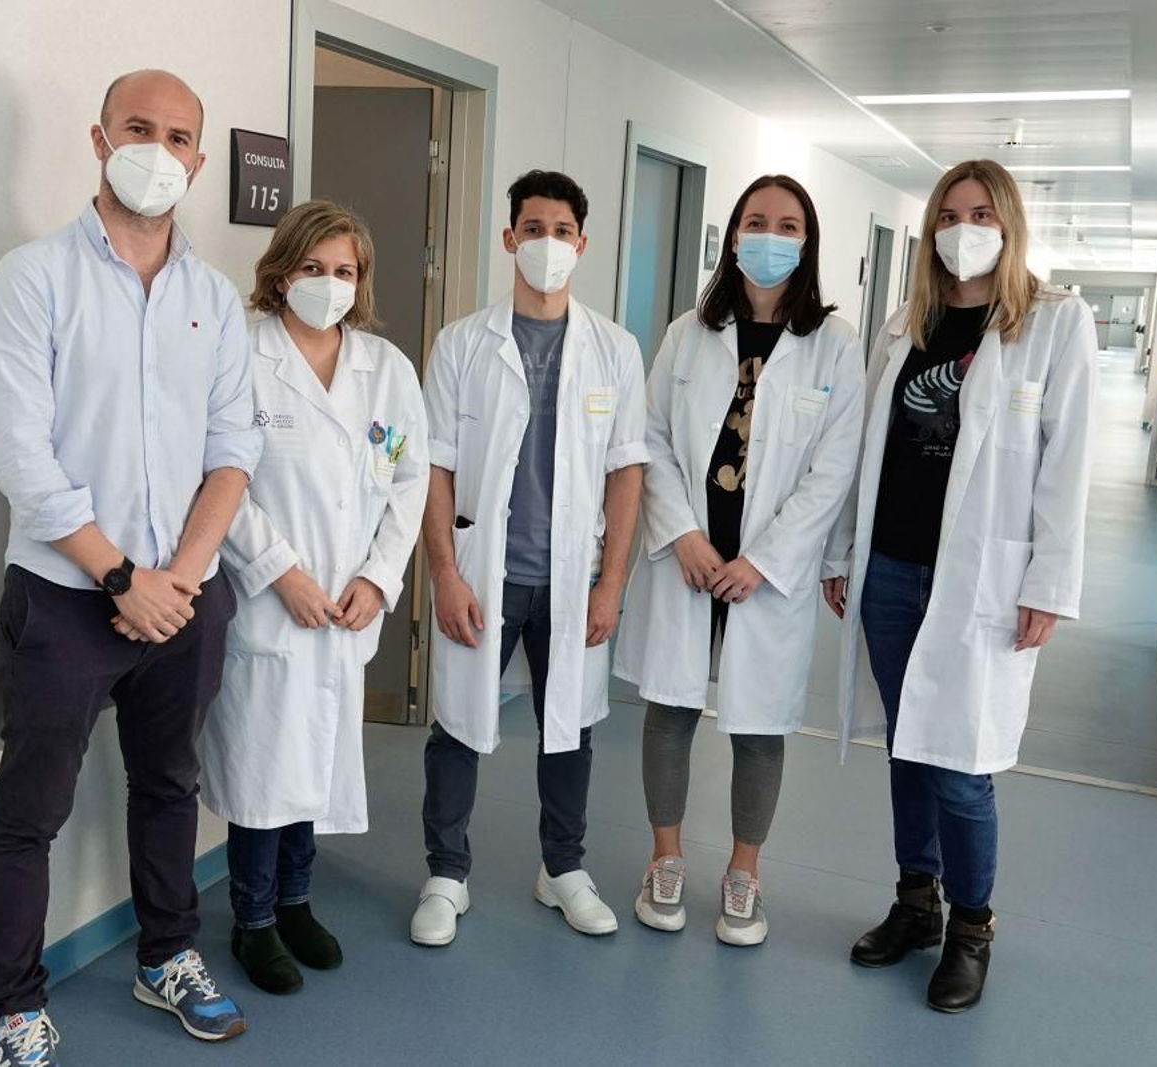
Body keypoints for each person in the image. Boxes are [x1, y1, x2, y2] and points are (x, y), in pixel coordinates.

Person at [0, 70, 258, 1063]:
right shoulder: (32, 277)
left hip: (182, 594)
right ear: (99, 139)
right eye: (139, 127)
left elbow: (234, 451)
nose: (158, 150)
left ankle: (165, 954)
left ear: (198, 160)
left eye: (179, 135)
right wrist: (118, 577)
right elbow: (22, 458)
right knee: (28, 810)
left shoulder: (213, 300)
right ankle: (13, 1005)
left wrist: (177, 576)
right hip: (63, 596)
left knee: (170, 784)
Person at [824, 159, 1094, 1012]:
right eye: (948, 212)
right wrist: (843, 552)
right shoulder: (908, 324)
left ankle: (973, 928)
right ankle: (917, 904)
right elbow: (865, 450)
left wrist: (1049, 580)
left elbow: (1067, 465)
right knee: (910, 746)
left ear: (1009, 223)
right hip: (893, 568)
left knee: (963, 765)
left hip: (979, 579)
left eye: (980, 212)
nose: (962, 226)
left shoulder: (1053, 323)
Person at [614, 174, 865, 945]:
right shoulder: (689, 332)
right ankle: (666, 859)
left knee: (759, 725)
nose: (770, 236)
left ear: (807, 241)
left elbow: (835, 468)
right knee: (671, 709)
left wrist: (766, 559)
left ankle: (745, 872)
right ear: (731, 236)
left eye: (788, 225)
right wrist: (682, 532)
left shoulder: (834, 342)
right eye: (757, 221)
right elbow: (647, 436)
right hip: (688, 556)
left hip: (764, 572)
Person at [409, 170, 647, 947]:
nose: (548, 244)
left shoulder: (615, 349)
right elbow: (434, 468)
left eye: (563, 230)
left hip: (573, 576)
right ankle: (447, 873)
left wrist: (611, 582)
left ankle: (563, 868)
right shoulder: (460, 343)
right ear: (509, 237)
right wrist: (444, 572)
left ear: (584, 243)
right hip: (486, 570)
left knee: (570, 726)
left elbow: (626, 472)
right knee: (456, 722)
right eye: (533, 228)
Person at [198, 200, 429, 994]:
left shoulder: (385, 369)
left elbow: (408, 479)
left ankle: (296, 902)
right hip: (269, 603)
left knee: (318, 761)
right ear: (281, 270)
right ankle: (252, 921)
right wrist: (279, 571)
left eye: (344, 271)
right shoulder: (244, 354)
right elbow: (220, 476)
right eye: (313, 268)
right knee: (264, 769)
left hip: (343, 609)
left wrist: (379, 577)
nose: (329, 284)